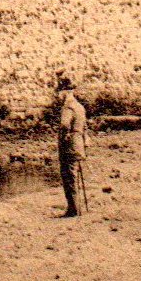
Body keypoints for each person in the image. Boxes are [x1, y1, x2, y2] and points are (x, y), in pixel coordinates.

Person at [57, 77, 88, 217]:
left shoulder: (68, 106)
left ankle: (73, 209)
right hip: (79, 143)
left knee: (69, 176)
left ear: (64, 92)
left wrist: (64, 136)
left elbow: (64, 124)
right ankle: (78, 207)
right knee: (74, 174)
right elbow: (84, 127)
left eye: (59, 93)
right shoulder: (80, 107)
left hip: (69, 145)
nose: (58, 96)